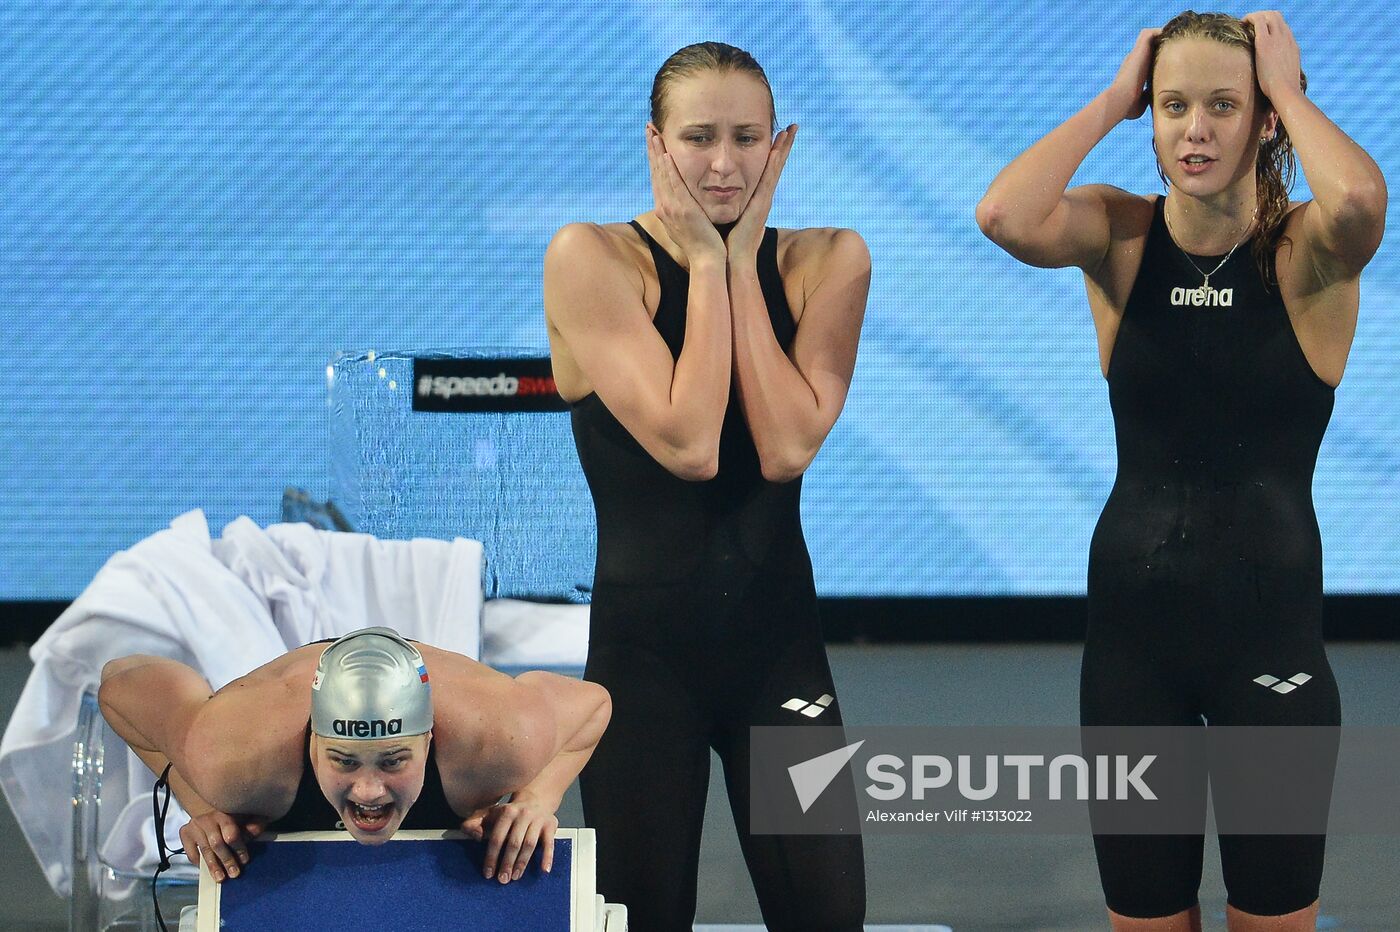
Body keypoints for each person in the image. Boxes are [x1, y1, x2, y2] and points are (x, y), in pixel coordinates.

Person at [977, 10, 1385, 931]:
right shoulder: (1121, 238)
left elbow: (1361, 201)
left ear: (1266, 121)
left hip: (1269, 646)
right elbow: (1004, 213)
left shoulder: (1305, 255)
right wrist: (1113, 100)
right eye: (1172, 106)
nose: (1193, 129)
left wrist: (1289, 87)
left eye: (1222, 105)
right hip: (1133, 652)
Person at [543, 41, 870, 931]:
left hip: (782, 659)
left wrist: (737, 261)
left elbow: (785, 446)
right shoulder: (592, 258)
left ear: (780, 146)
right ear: (655, 144)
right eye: (698, 138)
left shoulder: (828, 259)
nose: (724, 164)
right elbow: (689, 441)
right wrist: (709, 261)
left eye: (746, 138)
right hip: (644, 668)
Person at [98, 626, 611, 886]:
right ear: (314, 743)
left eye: (393, 761)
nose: (368, 792)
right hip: (278, 695)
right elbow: (119, 684)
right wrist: (200, 803)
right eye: (344, 760)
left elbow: (593, 705)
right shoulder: (232, 754)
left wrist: (537, 797)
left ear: (430, 739)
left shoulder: (499, 737)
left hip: (446, 682)